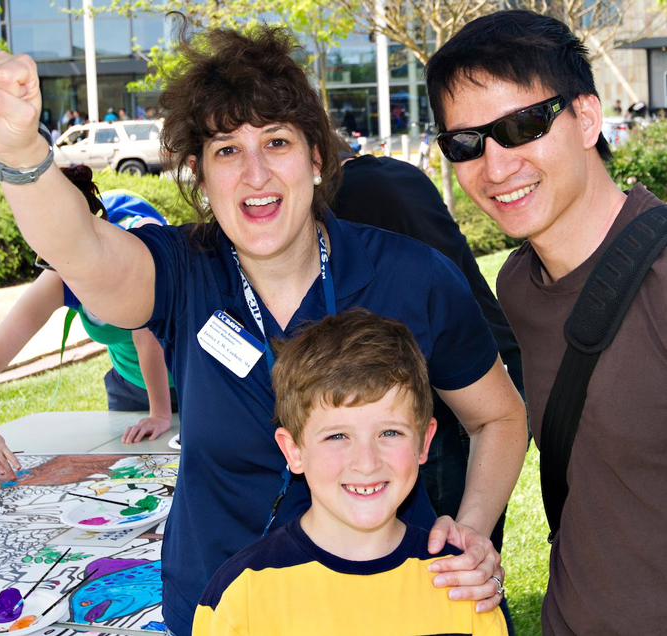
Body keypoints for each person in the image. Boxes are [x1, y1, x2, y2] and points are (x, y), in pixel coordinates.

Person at [0, 22, 527, 636]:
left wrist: (471, 530)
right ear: (199, 172)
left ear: (316, 157)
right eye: (227, 150)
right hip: (217, 608)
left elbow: (499, 416)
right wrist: (21, 156)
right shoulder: (181, 270)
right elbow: (85, 251)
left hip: (390, 606)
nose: (255, 174)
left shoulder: (412, 277)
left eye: (276, 142)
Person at [426, 9, 667, 635]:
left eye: (525, 124)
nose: (497, 166)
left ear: (587, 118)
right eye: (466, 143)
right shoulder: (519, 286)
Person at [194, 309, 510, 636]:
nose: (366, 462)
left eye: (390, 433)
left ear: (423, 442)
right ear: (294, 451)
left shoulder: (463, 584)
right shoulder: (239, 598)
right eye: (337, 436)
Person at [332, 141, 525, 555]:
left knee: (444, 550)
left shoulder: (344, 196)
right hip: (493, 363)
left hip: (448, 390)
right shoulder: (400, 174)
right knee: (475, 538)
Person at [0, 167, 177, 478]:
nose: (62, 267)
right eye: (47, 257)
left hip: (189, 378)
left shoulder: (132, 248)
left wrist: (159, 413)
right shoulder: (56, 278)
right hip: (130, 385)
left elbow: (146, 339)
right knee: (133, 481)